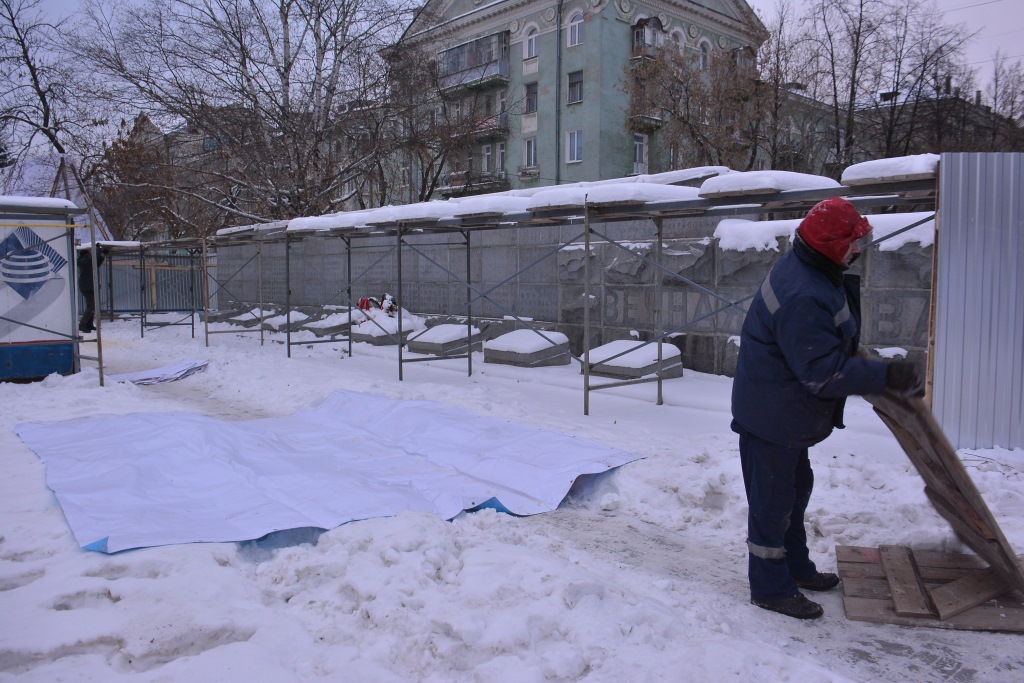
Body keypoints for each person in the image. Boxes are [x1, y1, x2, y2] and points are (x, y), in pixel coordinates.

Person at [731, 197, 923, 620]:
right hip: (772, 417)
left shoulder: (813, 269)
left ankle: (795, 567)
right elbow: (820, 373)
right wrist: (885, 377)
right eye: (855, 241)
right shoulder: (803, 291)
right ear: (833, 245)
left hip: (785, 411)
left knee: (794, 494)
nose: (860, 248)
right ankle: (770, 588)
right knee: (772, 505)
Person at [77, 245, 106, 334]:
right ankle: (82, 325)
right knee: (91, 307)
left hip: (88, 286)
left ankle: (89, 324)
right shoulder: (85, 261)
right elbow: (94, 257)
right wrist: (97, 249)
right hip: (87, 287)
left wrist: (103, 255)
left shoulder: (84, 261)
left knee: (92, 306)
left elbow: (96, 264)